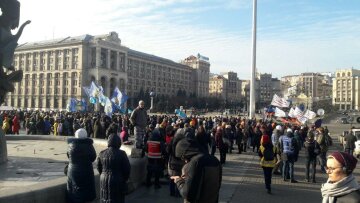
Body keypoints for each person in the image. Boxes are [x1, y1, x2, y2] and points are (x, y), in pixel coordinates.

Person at [171, 138, 222, 203]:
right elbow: (217, 187)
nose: (184, 160)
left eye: (183, 157)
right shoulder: (215, 160)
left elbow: (188, 194)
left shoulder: (195, 162)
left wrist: (178, 181)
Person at [97, 133, 131, 203]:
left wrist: (103, 174)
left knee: (105, 197)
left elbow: (98, 167)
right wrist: (124, 179)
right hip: (118, 179)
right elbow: (127, 169)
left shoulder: (101, 153)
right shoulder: (122, 154)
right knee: (117, 199)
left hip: (103, 179)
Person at [66, 128, 96, 203]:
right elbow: (93, 157)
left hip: (73, 171)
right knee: (86, 190)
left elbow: (68, 156)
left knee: (74, 191)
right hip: (86, 170)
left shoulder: (71, 145)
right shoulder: (89, 145)